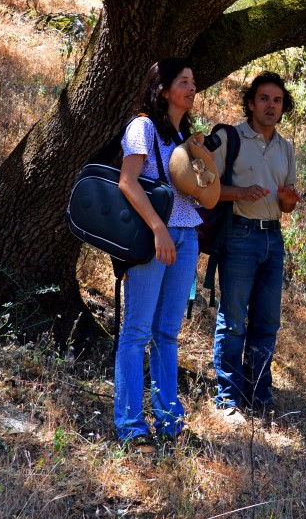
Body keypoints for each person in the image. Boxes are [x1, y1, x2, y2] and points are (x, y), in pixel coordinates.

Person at [115, 57, 205, 454]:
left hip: (187, 237)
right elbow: (127, 182)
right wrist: (157, 228)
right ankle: (132, 425)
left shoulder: (183, 136)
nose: (192, 87)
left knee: (167, 333)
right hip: (157, 237)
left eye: (193, 81)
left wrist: (201, 159)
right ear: (163, 89)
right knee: (136, 332)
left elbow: (202, 192)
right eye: (183, 81)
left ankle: (170, 420)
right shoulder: (143, 126)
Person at [212, 71, 300, 419]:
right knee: (233, 320)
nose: (270, 105)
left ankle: (259, 394)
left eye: (277, 100)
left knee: (267, 322)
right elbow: (204, 187)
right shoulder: (229, 137)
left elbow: (287, 204)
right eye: (264, 98)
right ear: (250, 102)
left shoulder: (286, 148)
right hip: (238, 235)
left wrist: (289, 200)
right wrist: (239, 193)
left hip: (272, 238)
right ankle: (228, 399)